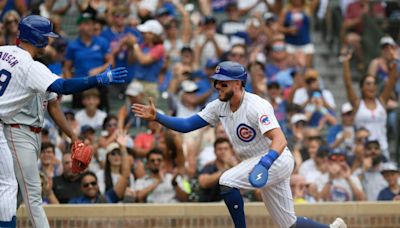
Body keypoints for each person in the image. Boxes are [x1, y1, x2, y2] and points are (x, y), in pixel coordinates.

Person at [132, 61, 347, 228]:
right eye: (216, 82)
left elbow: (280, 139)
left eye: (223, 82)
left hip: (275, 159)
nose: (217, 86)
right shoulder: (219, 106)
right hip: (258, 162)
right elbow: (187, 124)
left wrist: (266, 162)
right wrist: (158, 116)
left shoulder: (256, 105)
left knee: (227, 180)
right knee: (288, 224)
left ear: (237, 83)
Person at [0, 15, 127, 227]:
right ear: (38, 39)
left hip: (22, 130)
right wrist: (99, 79)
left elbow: (54, 105)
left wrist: (74, 136)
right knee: (14, 188)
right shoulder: (31, 68)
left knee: (15, 190)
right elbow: (63, 87)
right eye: (46, 37)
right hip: (15, 129)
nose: (49, 42)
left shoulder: (3, 51)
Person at [342, 47, 398, 159]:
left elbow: (391, 82)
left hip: (382, 149)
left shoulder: (381, 101)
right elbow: (348, 84)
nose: (371, 86)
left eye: (373, 84)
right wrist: (346, 61)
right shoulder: (358, 104)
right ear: (362, 87)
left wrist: (393, 61)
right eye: (368, 84)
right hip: (363, 151)